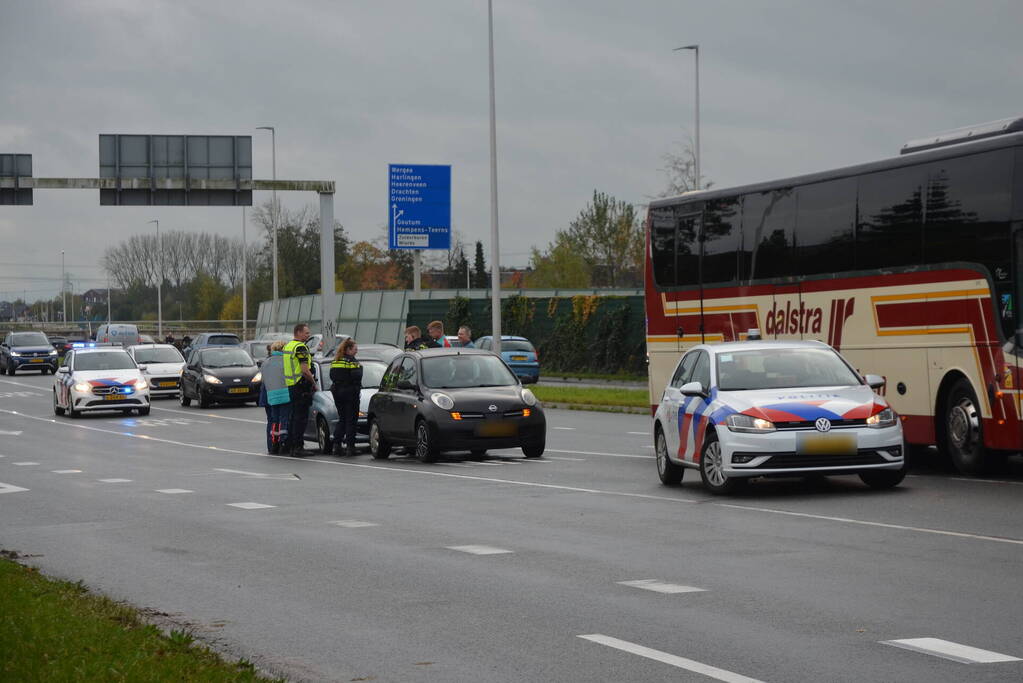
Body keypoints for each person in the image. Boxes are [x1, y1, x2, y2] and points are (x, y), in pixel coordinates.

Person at [283, 323, 318, 456]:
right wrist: (314, 383)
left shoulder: (288, 345)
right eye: (306, 333)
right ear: (298, 332)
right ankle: (298, 447)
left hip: (291, 385)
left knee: (293, 417)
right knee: (301, 418)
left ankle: (292, 445)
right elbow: (304, 370)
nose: (308, 335)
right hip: (301, 385)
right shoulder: (300, 347)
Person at [330, 338, 362, 457]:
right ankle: (350, 447)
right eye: (355, 349)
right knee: (351, 421)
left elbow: (332, 376)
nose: (356, 351)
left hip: (338, 393)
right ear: (348, 349)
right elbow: (357, 376)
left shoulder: (336, 361)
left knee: (342, 419)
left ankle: (336, 445)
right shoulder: (352, 362)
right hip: (350, 393)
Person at [258, 341, 291, 454]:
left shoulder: (265, 363)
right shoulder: (286, 361)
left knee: (274, 421)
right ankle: (283, 443)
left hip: (271, 396)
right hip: (285, 394)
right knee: (284, 420)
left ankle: (274, 443)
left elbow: (263, 380)